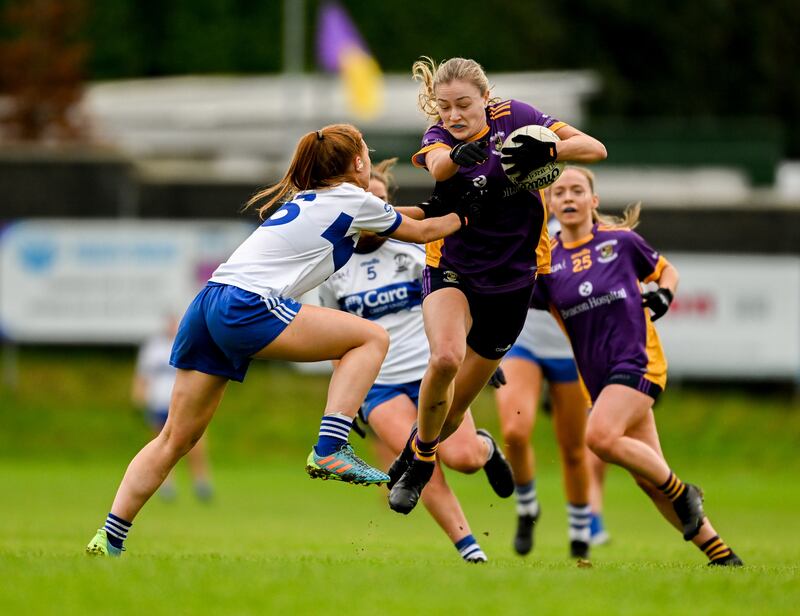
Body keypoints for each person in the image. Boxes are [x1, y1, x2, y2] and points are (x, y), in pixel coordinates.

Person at [86, 123, 474, 557]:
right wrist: (470, 212)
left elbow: (401, 218)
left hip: (208, 304)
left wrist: (434, 207)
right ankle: (330, 447)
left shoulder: (315, 198)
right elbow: (420, 233)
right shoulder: (351, 199)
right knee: (369, 338)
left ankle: (109, 537)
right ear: (359, 163)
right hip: (246, 305)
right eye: (366, 151)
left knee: (175, 438)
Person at [387, 56, 607, 515]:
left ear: (487, 99)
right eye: (444, 107)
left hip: (511, 282)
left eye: (464, 105)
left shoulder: (517, 117)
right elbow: (439, 168)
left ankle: (422, 450)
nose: (454, 116)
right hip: (453, 266)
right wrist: (458, 154)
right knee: (445, 356)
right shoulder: (440, 137)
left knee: (452, 413)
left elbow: (594, 149)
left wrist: (548, 151)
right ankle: (424, 464)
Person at [530, 166, 742, 566]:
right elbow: (509, 299)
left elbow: (668, 272)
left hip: (638, 362)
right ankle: (722, 556)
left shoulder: (621, 242)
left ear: (593, 202)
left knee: (600, 438)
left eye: (578, 191)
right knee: (649, 479)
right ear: (551, 205)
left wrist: (663, 295)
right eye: (560, 193)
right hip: (597, 379)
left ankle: (684, 493)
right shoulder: (546, 262)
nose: (569, 198)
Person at [318, 158, 512, 563]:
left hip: (433, 375)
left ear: (391, 206)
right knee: (419, 468)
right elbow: (339, 343)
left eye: (381, 201)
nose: (372, 211)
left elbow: (457, 300)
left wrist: (479, 355)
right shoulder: (334, 267)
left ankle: (486, 449)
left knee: (462, 459)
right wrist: (345, 403)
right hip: (380, 386)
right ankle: (469, 548)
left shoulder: (414, 245)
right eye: (363, 201)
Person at [494, 217, 592, 559]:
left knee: (574, 447)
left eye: (573, 190)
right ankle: (527, 508)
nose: (562, 196)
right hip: (524, 341)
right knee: (515, 432)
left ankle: (580, 534)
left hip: (573, 350)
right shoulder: (518, 221)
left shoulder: (598, 239)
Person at [131, 315, 213, 502]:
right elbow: (143, 375)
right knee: (161, 444)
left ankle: (201, 482)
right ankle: (166, 484)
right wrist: (139, 397)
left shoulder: (190, 343)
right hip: (159, 402)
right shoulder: (154, 347)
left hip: (186, 402)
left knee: (195, 442)